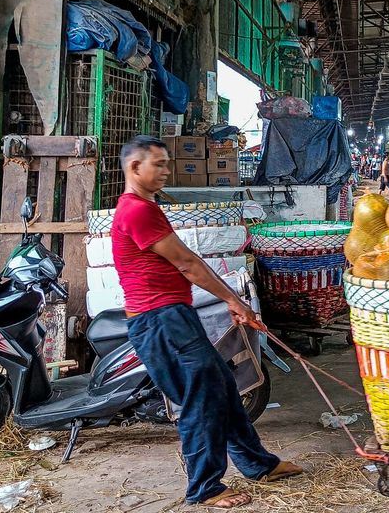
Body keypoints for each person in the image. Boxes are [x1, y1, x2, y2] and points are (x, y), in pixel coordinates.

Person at [112, 135, 302, 509]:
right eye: (159, 164)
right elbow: (188, 263)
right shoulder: (137, 210)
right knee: (201, 399)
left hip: (172, 316)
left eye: (168, 163)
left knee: (223, 388)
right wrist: (235, 301)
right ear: (135, 167)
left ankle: (257, 464)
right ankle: (205, 488)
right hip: (160, 320)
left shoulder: (144, 206)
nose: (167, 171)